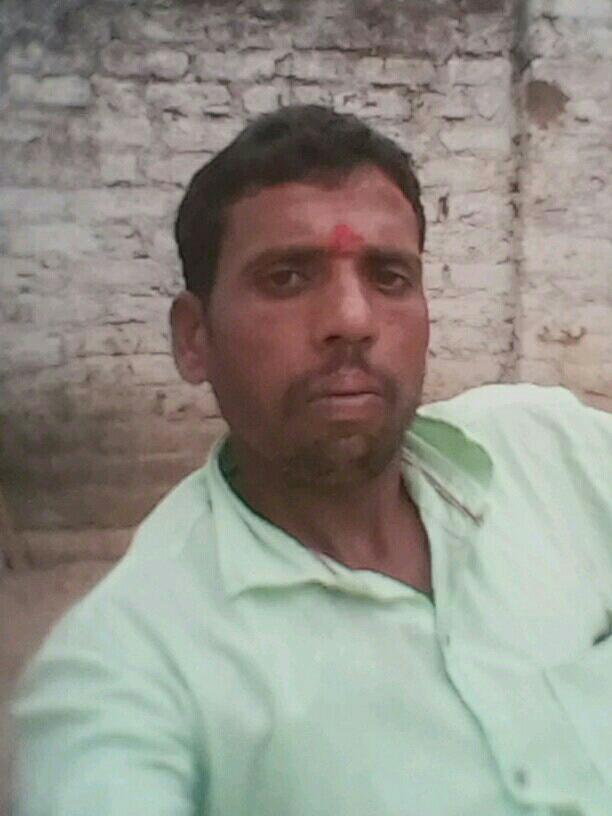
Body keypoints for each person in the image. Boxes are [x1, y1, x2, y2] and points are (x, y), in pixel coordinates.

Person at [11, 104, 612, 815]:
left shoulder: (547, 450)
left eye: (389, 276)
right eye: (288, 277)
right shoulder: (125, 675)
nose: (353, 320)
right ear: (194, 338)